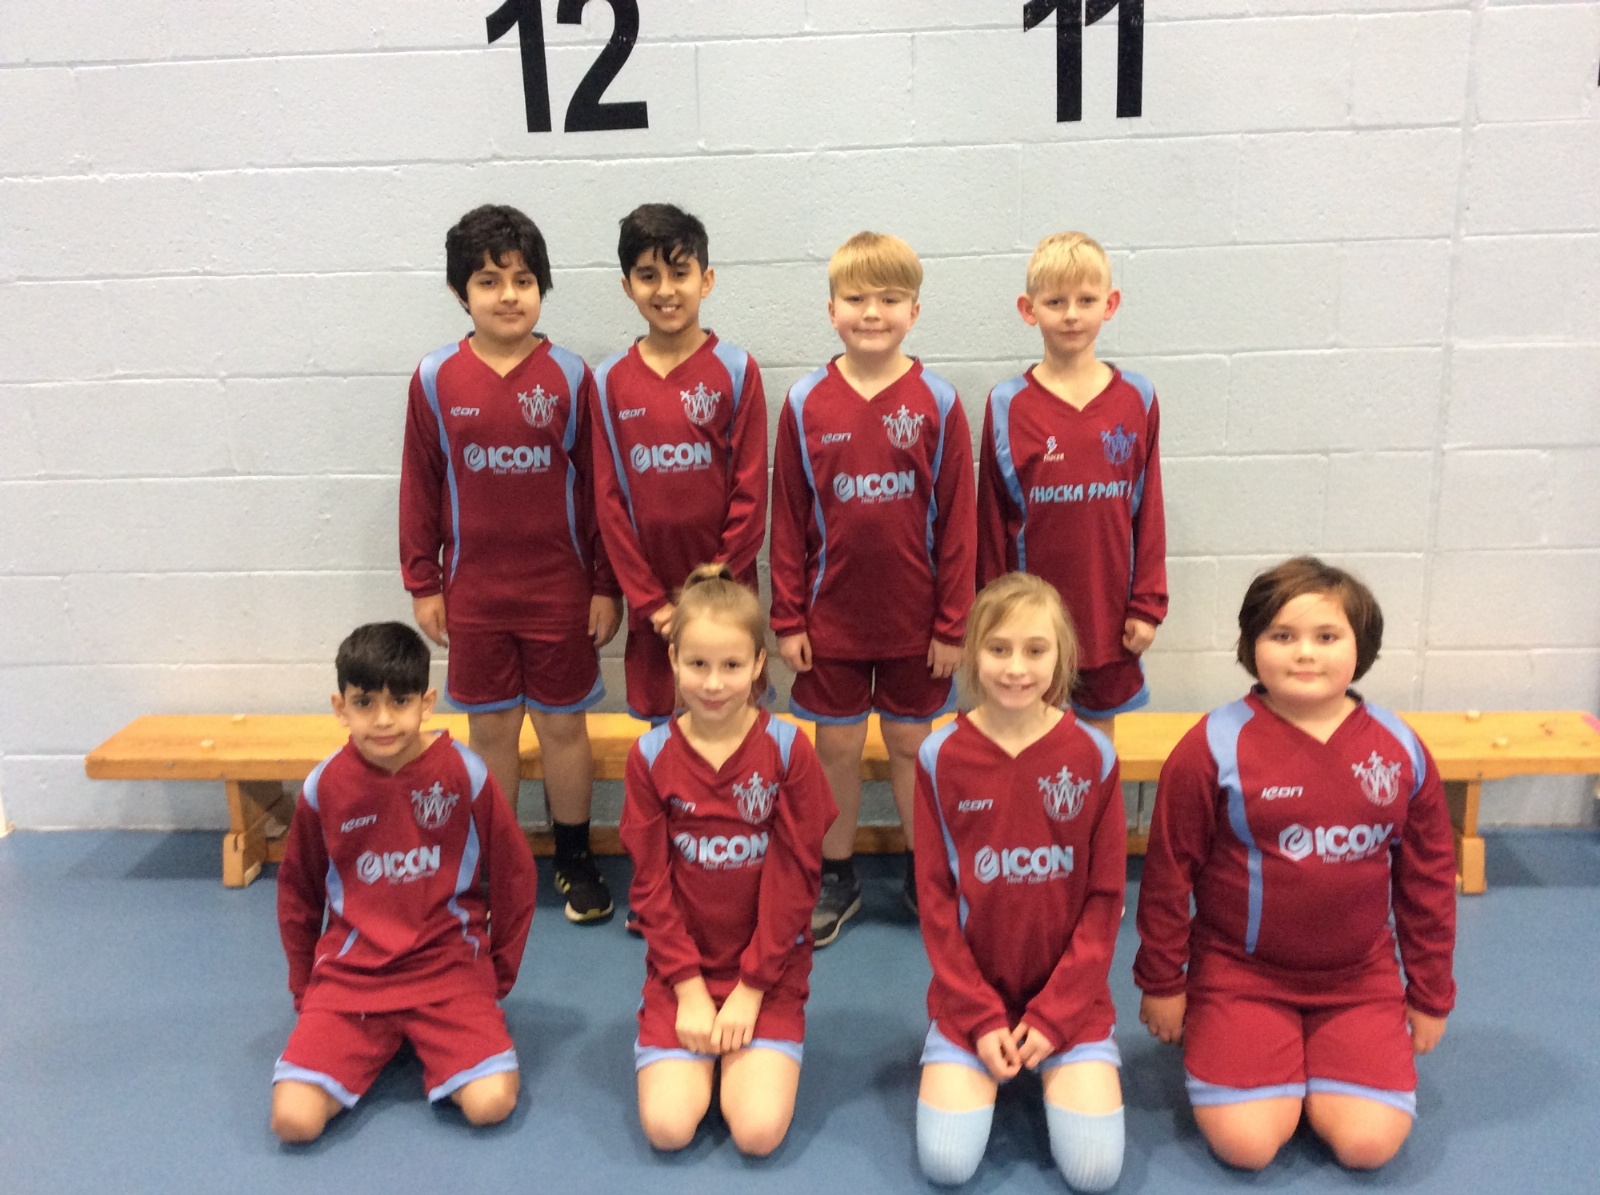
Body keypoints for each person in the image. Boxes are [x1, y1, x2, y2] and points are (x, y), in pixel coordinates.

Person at [1134, 557, 1457, 1171]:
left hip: (1358, 979)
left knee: (1367, 1146)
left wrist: (1431, 993)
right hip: (1240, 973)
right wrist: (1163, 982)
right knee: (1248, 1145)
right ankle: (1259, 1052)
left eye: (1326, 636)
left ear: (1361, 647)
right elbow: (1168, 874)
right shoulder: (1212, 746)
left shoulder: (1399, 749)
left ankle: (1323, 1061)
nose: (1304, 653)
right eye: (1282, 635)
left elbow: (1429, 883)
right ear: (1251, 645)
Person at [400, 203, 622, 924]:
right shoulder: (435, 378)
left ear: (542, 287)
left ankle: (575, 858)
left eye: (523, 280)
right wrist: (423, 581)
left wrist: (604, 583)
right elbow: (419, 485)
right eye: (489, 281)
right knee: (492, 730)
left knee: (563, 728)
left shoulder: (571, 376)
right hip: (475, 594)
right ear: (460, 291)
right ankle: (497, 862)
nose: (508, 295)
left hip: (560, 592)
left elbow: (598, 492)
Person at [770, 231, 977, 946]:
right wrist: (788, 617)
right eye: (856, 298)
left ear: (914, 311)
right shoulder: (804, 401)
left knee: (913, 744)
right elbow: (787, 519)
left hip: (917, 624)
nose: (872, 312)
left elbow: (959, 523)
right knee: (835, 746)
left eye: (890, 299)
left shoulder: (938, 401)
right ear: (831, 309)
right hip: (829, 620)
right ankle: (838, 874)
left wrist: (953, 624)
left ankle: (926, 873)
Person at [271, 622, 537, 1143]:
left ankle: (428, 1040)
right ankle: (376, 1039)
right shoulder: (324, 787)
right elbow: (298, 893)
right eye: (364, 702)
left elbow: (515, 876)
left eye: (400, 701)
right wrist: (305, 986)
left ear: (426, 703)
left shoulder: (464, 773)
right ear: (340, 707)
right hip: (352, 979)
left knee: (491, 1103)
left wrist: (496, 973)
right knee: (294, 1121)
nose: (383, 719)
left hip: (447, 970)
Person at [913, 574, 1126, 1190]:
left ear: (1061, 656)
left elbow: (1105, 900)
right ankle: (973, 1040)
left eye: (1035, 650)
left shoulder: (1092, 755)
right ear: (973, 653)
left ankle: (1056, 1047)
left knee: (1094, 1173)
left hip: (1071, 999)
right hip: (970, 996)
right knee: (946, 1165)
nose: (1015, 667)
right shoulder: (940, 756)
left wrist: (1057, 1015)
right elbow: (935, 901)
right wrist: (979, 1016)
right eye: (999, 648)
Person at [620, 565, 836, 1156]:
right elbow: (650, 887)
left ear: (759, 663)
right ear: (672, 660)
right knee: (668, 1130)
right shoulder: (650, 757)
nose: (713, 683)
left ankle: (750, 1049)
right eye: (698, 664)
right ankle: (683, 1031)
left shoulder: (788, 751)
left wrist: (752, 987)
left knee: (757, 1133)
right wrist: (688, 989)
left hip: (768, 971)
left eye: (732, 665)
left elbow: (796, 882)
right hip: (683, 971)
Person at [977, 231, 1166, 739]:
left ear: (1110, 304)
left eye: (1086, 300)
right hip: (1027, 622)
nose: (1071, 315)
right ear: (1029, 309)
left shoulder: (1137, 398)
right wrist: (992, 615)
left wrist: (1147, 604)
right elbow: (991, 521)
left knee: (1095, 743)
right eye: (1056, 302)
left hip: (1108, 615)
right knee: (1028, 734)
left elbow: (1148, 511)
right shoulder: (1007, 404)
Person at [591, 203, 769, 725]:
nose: (665, 290)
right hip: (654, 611)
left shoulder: (737, 370)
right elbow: (609, 502)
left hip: (726, 593)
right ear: (627, 286)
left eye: (679, 272)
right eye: (648, 276)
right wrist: (651, 602)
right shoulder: (608, 381)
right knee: (664, 732)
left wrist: (716, 585)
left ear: (706, 280)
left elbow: (751, 491)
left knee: (731, 722)